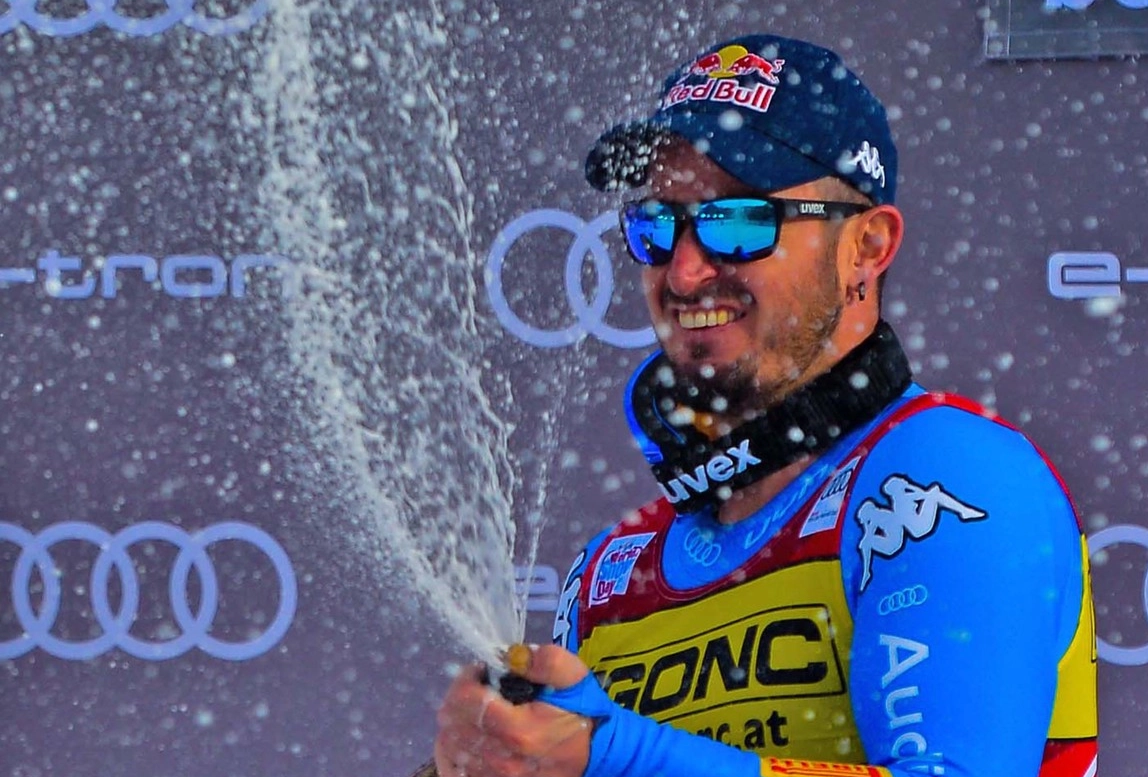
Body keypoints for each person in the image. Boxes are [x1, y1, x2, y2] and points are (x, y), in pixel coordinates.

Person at [434, 33, 1098, 777]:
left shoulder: (943, 475)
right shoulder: (607, 573)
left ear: (866, 247)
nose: (684, 272)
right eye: (658, 224)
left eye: (739, 220)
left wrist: (616, 756)